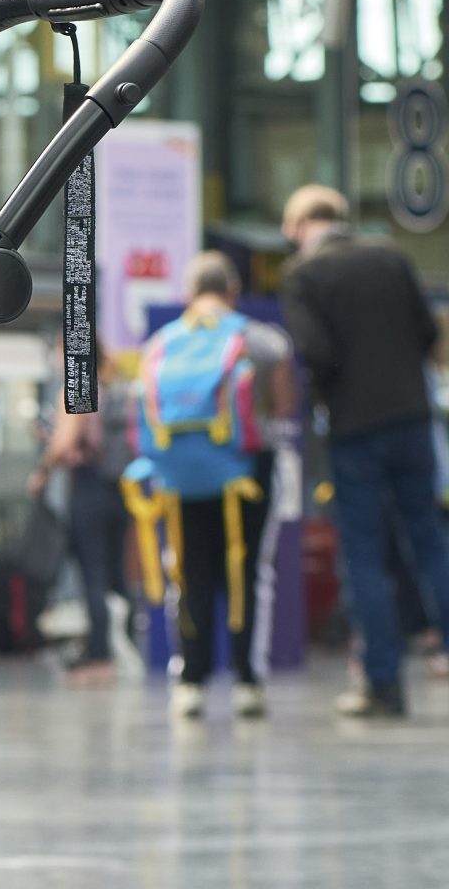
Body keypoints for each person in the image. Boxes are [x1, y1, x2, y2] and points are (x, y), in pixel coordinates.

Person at [281, 185, 449, 717]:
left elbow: (314, 352)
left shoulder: (304, 276)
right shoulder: (392, 256)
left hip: (355, 428)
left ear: (303, 223)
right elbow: (427, 331)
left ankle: (383, 685)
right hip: (412, 419)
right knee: (430, 540)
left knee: (364, 555)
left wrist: (334, 388)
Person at [134, 251, 293, 721]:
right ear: (233, 291)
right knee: (248, 574)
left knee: (187, 575)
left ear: (187, 294)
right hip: (247, 470)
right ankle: (248, 682)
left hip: (179, 475)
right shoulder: (261, 340)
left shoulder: (160, 344)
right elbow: (284, 407)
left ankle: (190, 684)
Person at [31, 344, 138, 685]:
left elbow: (65, 444)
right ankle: (128, 646)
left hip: (89, 487)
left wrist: (43, 471)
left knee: (93, 573)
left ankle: (100, 656)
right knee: (117, 575)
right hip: (120, 488)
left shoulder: (79, 386)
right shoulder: (114, 387)